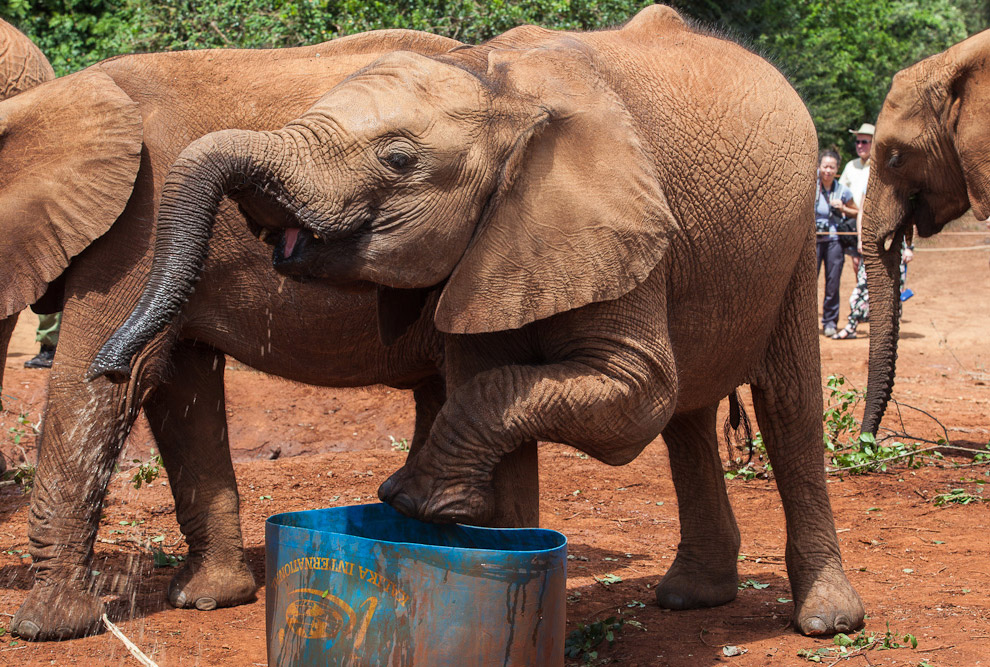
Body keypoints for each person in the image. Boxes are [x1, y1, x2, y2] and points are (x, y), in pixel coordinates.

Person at [815, 149, 858, 337]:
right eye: (825, 166)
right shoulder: (812, 188)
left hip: (834, 241)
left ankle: (830, 322)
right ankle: (806, 323)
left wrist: (843, 208)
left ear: (837, 169)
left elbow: (857, 212)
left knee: (832, 283)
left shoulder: (842, 190)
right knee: (809, 284)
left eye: (832, 167)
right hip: (813, 241)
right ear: (819, 167)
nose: (828, 171)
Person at [839, 123, 874, 275]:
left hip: (873, 222)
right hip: (852, 221)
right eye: (857, 142)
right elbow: (839, 191)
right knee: (856, 263)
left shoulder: (879, 167)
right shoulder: (850, 166)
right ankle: (862, 297)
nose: (860, 145)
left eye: (864, 142)